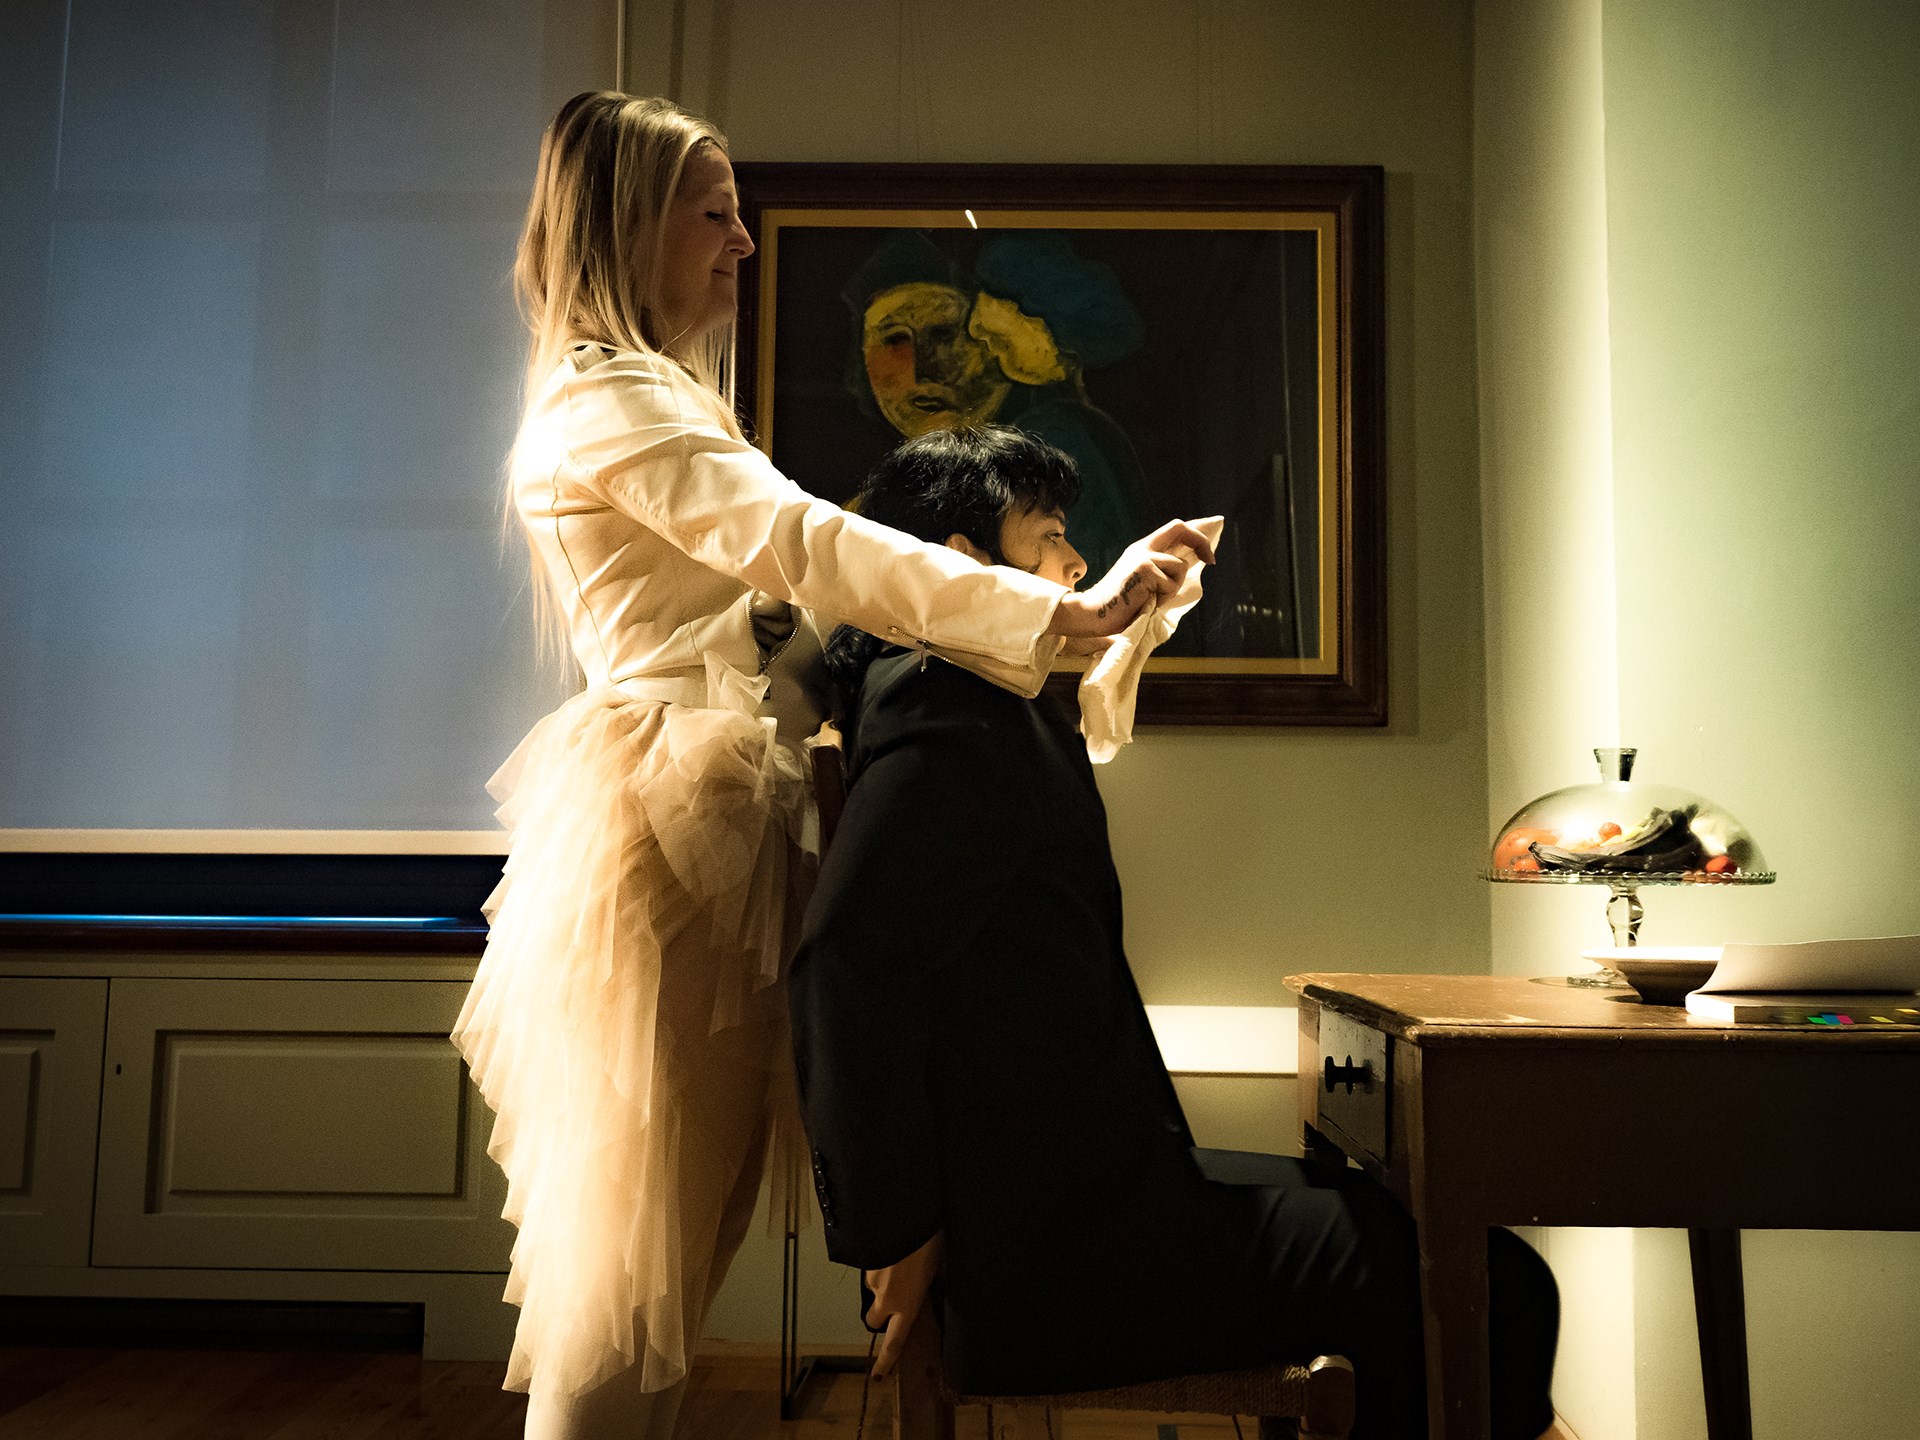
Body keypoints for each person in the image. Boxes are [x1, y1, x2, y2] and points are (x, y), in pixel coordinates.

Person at [449, 92, 1216, 1440]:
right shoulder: (610, 399)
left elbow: (807, 616)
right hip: (674, 821)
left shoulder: (647, 396)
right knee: (630, 1271)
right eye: (715, 212)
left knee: (669, 1255)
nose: (742, 242)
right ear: (629, 221)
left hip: (710, 809)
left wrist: (1073, 617)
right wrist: (1063, 616)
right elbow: (807, 548)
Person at [788, 426, 1560, 1440]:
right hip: (1051, 1247)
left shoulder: (972, 698)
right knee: (1497, 1286)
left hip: (1078, 1199)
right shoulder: (949, 707)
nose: (1076, 564)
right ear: (963, 560)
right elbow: (842, 961)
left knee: (1425, 1241)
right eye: (1050, 536)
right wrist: (898, 1232)